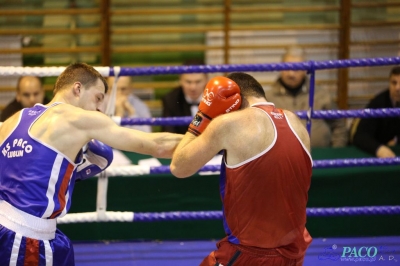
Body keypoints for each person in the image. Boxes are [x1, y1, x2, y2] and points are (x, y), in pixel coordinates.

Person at [0, 62, 183, 265]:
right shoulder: (78, 119)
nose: (100, 108)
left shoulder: (14, 120)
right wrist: (207, 136)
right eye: (98, 98)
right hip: (27, 240)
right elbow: (157, 145)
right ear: (77, 89)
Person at [171, 72, 313, 265]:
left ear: (236, 99)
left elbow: (179, 167)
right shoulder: (296, 123)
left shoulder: (230, 123)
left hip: (248, 255)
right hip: (294, 254)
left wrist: (202, 116)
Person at [265, 46, 348, 147]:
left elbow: (339, 126)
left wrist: (335, 153)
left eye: (296, 69)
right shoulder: (267, 98)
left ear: (305, 70)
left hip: (321, 156)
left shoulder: (321, 94)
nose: (291, 74)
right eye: (286, 67)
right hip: (282, 158)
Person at [351, 66, 400, 158]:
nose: (398, 88)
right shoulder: (378, 103)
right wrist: (378, 149)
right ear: (389, 84)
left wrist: (397, 140)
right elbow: (360, 136)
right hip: (373, 154)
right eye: (394, 83)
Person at [161, 59, 208, 134]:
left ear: (206, 79)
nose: (193, 87)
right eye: (188, 82)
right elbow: (168, 132)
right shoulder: (171, 100)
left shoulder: (215, 98)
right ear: (180, 80)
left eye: (198, 81)